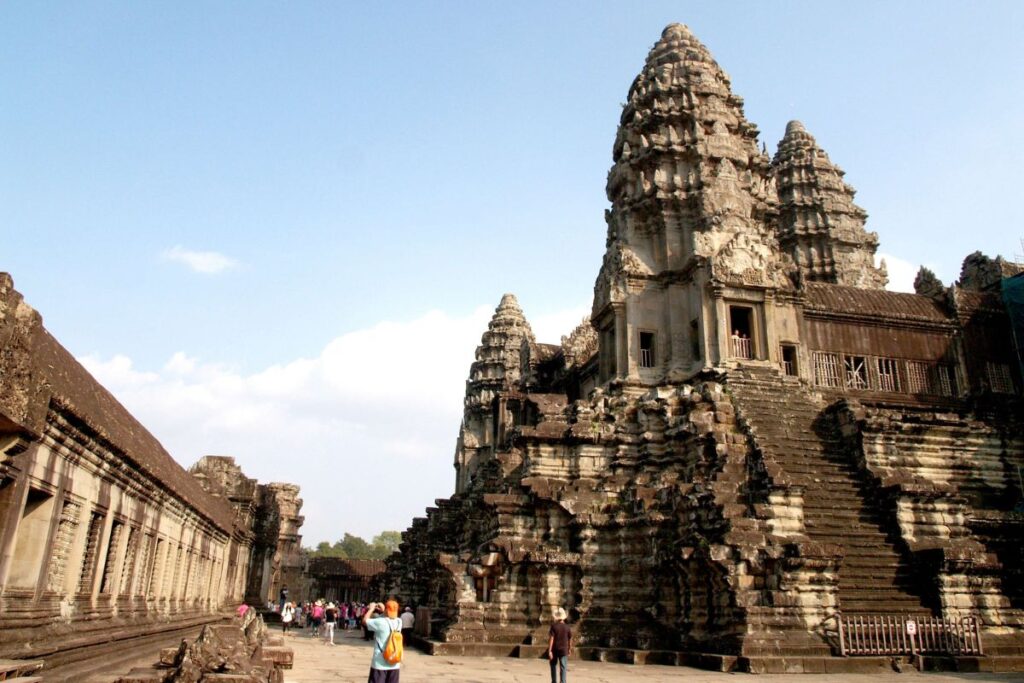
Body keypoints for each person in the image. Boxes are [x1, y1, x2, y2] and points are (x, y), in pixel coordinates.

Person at [363, 600, 402, 683]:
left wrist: (371, 609)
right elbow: (388, 618)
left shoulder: (380, 622)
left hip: (380, 662)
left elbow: (365, 621)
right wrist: (384, 610)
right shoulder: (399, 621)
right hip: (394, 662)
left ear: (386, 610)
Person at [547, 606, 572, 683]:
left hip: (555, 649)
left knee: (553, 665)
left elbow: (551, 639)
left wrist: (549, 650)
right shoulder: (567, 627)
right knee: (563, 667)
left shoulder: (554, 626)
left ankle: (554, 681)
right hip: (564, 649)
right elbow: (570, 639)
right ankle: (563, 681)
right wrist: (569, 648)